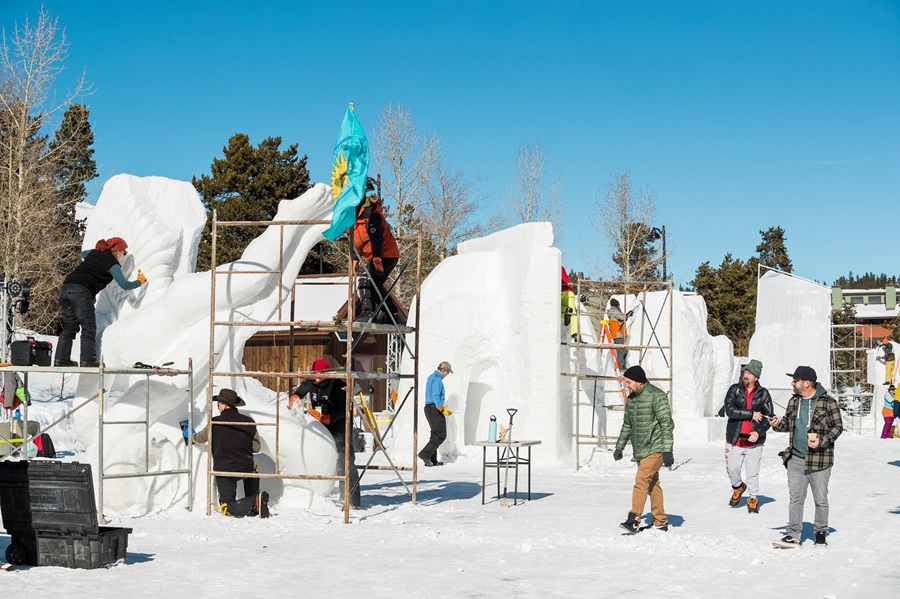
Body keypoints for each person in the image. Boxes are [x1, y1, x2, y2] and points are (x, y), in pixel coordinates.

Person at [769, 366, 843, 546]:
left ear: (807, 382)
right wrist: (777, 423)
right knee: (796, 499)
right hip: (795, 458)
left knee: (820, 499)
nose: (792, 383)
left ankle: (820, 533)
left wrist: (822, 440)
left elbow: (838, 427)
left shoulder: (828, 402)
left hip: (820, 460)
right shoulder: (794, 402)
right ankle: (794, 534)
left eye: (795, 380)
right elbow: (787, 424)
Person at [54, 237, 146, 367]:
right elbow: (125, 285)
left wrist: (98, 252)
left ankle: (61, 359)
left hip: (67, 287)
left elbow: (83, 253)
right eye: (124, 252)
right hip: (81, 291)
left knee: (70, 326)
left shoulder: (94, 253)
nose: (124, 255)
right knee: (88, 326)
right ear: (118, 251)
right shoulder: (112, 264)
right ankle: (88, 361)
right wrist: (139, 282)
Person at [290, 359, 361, 508]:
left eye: (321, 374)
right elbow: (298, 393)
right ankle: (317, 493)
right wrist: (294, 399)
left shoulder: (338, 386)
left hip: (339, 426)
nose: (318, 378)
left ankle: (350, 499)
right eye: (315, 374)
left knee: (344, 460)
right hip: (321, 427)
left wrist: (327, 418)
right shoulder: (310, 382)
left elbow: (344, 410)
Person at [614, 365, 675, 532]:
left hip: (656, 447)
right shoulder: (632, 399)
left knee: (641, 481)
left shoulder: (657, 396)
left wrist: (667, 450)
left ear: (639, 382)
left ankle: (634, 517)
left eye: (628, 382)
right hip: (641, 449)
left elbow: (667, 424)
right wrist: (619, 446)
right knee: (652, 485)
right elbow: (627, 425)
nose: (626, 385)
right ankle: (660, 521)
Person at [190, 389, 268, 518]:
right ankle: (255, 500)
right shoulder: (249, 422)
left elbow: (201, 438)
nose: (218, 408)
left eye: (218, 405)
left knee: (226, 506)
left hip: (224, 468)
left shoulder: (215, 422)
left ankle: (253, 503)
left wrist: (190, 437)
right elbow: (256, 448)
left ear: (225, 405)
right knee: (252, 471)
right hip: (246, 466)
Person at [723, 359, 774, 513]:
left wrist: (758, 432)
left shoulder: (763, 393)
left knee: (752, 471)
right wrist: (751, 414)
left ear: (756, 377)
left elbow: (769, 417)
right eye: (745, 372)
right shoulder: (735, 390)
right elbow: (729, 410)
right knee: (733, 470)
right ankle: (738, 487)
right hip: (735, 438)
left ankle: (753, 497)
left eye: (749, 373)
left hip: (754, 441)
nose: (746, 375)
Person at [352, 193, 400, 322]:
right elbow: (354, 241)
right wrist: (355, 257)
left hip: (385, 254)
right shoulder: (354, 220)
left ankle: (368, 312)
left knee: (367, 282)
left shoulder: (372, 216)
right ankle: (392, 315)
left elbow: (377, 239)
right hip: (373, 256)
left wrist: (377, 259)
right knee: (375, 285)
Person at [419, 361, 453, 467]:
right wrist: (441, 408)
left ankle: (432, 460)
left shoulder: (431, 377)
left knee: (435, 433)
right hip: (434, 408)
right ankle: (425, 454)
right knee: (441, 434)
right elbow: (435, 396)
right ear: (443, 370)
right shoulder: (438, 380)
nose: (447, 375)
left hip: (429, 408)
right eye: (447, 372)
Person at [607, 298, 627, 369]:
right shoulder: (615, 311)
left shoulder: (612, 311)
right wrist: (627, 314)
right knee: (621, 351)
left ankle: (622, 365)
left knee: (623, 350)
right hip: (618, 334)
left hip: (617, 334)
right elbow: (622, 317)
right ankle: (620, 367)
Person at [560, 267, 577, 340]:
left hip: (560, 290)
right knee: (573, 312)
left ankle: (565, 312)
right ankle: (575, 333)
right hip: (570, 292)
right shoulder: (562, 268)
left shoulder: (553, 264)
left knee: (556, 309)